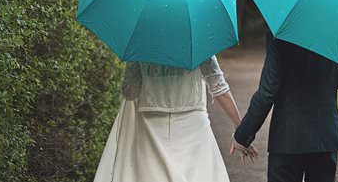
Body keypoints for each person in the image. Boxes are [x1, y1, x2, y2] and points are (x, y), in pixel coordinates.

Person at [93, 55, 255, 182]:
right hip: (193, 125)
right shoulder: (199, 40)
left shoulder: (142, 43)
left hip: (150, 124)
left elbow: (129, 92)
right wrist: (242, 130)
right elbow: (219, 88)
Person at [231, 33, 338, 182]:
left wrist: (243, 135)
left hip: (288, 138)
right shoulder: (336, 36)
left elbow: (267, 92)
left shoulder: (280, 35)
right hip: (325, 139)